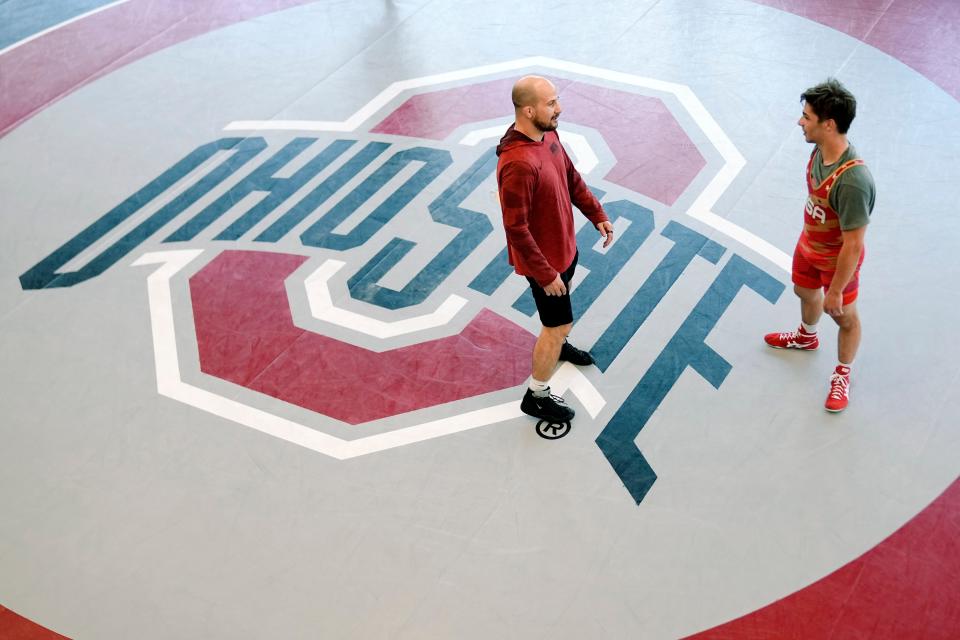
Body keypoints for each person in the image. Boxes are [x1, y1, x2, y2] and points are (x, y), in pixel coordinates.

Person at [495, 75, 614, 422]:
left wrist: (596, 213)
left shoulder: (548, 134)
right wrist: (545, 274)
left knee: (560, 321)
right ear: (529, 110)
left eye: (557, 100)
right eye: (550, 103)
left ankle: (558, 345)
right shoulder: (518, 163)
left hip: (564, 249)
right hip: (544, 263)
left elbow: (570, 177)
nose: (559, 108)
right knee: (556, 325)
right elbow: (515, 227)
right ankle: (536, 395)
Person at [765, 78, 876, 412]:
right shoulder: (818, 149)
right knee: (803, 290)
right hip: (809, 244)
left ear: (828, 125)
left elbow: (854, 244)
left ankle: (842, 373)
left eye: (807, 117)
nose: (801, 122)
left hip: (837, 260)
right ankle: (807, 336)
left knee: (845, 318)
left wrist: (837, 290)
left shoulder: (853, 181)